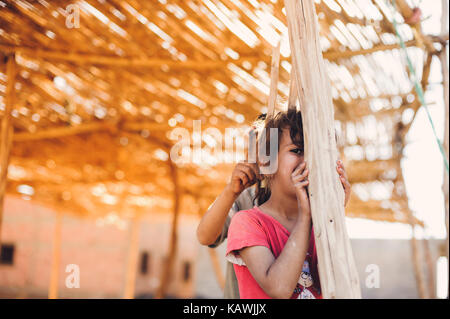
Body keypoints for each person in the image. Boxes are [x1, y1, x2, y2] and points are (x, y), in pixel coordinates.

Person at [197, 110, 351, 299]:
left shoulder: (317, 219)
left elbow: (332, 283)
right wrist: (231, 191)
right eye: (297, 150)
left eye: (316, 153)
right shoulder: (247, 204)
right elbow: (205, 236)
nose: (308, 162)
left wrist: (335, 214)